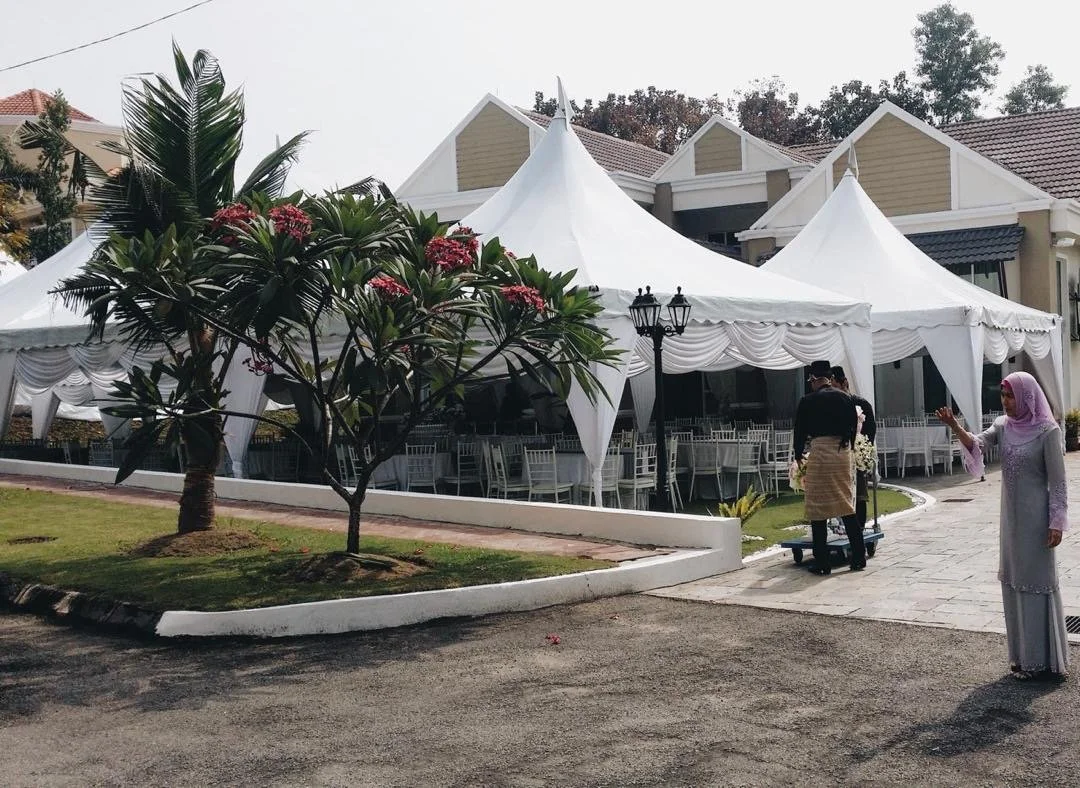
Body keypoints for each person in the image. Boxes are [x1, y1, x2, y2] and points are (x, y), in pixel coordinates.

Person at [935, 371, 1069, 681]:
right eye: (1003, 396)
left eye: (1011, 396)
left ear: (1026, 396)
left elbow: (1059, 483)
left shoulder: (1047, 432)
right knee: (1013, 582)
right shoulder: (1004, 427)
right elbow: (978, 443)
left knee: (1036, 583)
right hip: (1011, 520)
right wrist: (955, 426)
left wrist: (1057, 521)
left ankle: (1042, 660)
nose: (1006, 402)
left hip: (1037, 520)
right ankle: (1021, 657)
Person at [793, 360, 865, 575]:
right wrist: (849, 447)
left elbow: (800, 430)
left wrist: (798, 455)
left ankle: (822, 561)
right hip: (842, 452)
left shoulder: (808, 401)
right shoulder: (844, 397)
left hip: (821, 451)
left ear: (814, 379)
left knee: (817, 507)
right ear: (830, 378)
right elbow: (853, 426)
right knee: (845, 504)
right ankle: (859, 557)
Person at [831, 366, 876, 532]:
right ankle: (840, 529)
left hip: (857, 455)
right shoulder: (832, 406)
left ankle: (860, 529)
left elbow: (870, 431)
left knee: (859, 495)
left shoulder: (861, 404)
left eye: (835, 385)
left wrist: (862, 450)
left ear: (844, 383)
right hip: (837, 456)